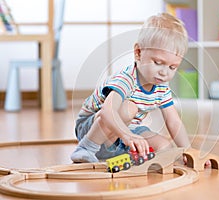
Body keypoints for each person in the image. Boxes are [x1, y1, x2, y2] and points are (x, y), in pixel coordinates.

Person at [70, 13, 191, 163]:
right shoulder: (126, 79)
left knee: (165, 147)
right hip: (92, 129)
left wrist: (188, 152)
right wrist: (127, 135)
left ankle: (127, 155)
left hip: (123, 132)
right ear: (138, 53)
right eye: (158, 62)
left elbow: (173, 121)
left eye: (172, 67)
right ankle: (86, 149)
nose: (164, 72)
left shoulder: (162, 87)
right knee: (129, 108)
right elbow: (108, 112)